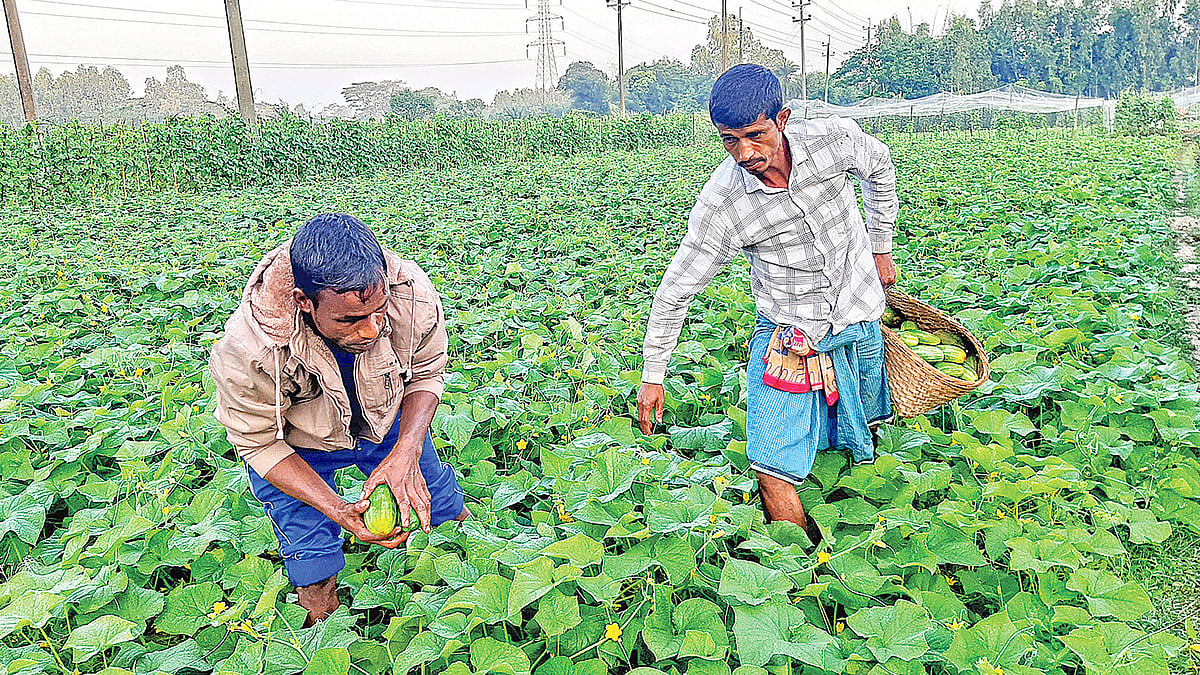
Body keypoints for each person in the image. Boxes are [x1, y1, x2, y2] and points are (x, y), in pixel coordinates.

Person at [636, 64, 898, 541]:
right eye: (729, 141)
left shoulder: (833, 140)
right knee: (771, 459)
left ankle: (861, 547)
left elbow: (881, 168)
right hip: (790, 334)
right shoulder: (724, 203)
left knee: (861, 432)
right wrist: (653, 375)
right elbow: (678, 287)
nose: (745, 152)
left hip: (859, 309)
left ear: (783, 118)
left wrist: (881, 245)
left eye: (755, 135)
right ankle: (797, 574)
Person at [210, 213, 468, 625]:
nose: (369, 330)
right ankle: (322, 634)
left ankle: (467, 588)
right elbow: (258, 443)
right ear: (304, 302)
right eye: (349, 320)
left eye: (378, 312)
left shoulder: (411, 292)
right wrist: (337, 509)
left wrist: (406, 451)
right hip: (298, 448)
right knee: (312, 567)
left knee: (441, 507)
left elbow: (426, 372)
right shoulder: (248, 347)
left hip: (386, 421)